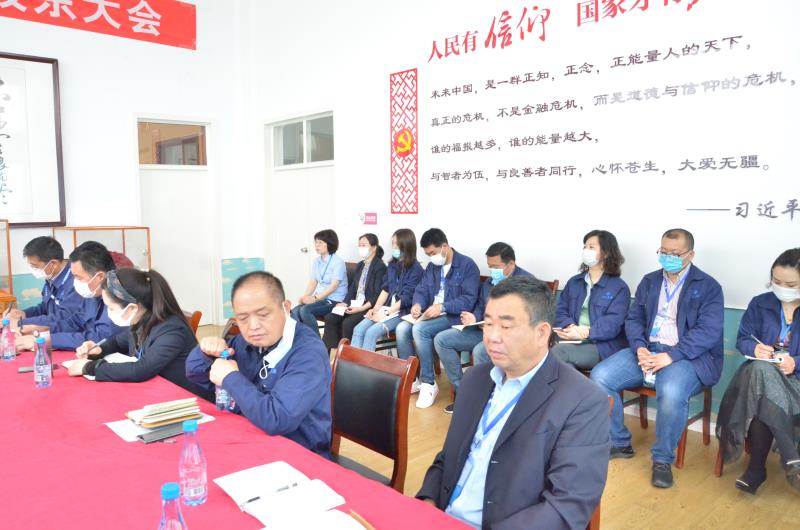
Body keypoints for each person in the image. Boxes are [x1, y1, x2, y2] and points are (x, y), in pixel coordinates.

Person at [416, 276, 609, 529]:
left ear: (541, 333)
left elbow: (565, 507)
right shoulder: (475, 379)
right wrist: (426, 506)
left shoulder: (582, 401)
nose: (492, 337)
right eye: (488, 324)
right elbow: (447, 458)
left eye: (506, 326)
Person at [591, 228, 724, 489]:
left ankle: (662, 459)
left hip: (687, 356)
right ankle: (619, 442)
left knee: (672, 390)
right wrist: (640, 347)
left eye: (675, 253)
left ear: (690, 254)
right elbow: (634, 319)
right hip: (648, 349)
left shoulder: (708, 286)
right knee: (600, 377)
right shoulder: (650, 281)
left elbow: (708, 332)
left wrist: (671, 356)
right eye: (663, 252)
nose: (668, 257)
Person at [186, 271, 332, 457]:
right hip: (248, 438)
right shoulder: (244, 341)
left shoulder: (308, 353)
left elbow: (277, 419)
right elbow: (195, 374)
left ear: (286, 308)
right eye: (243, 318)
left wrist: (230, 378)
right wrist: (205, 352)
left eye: (263, 314)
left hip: (297, 454)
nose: (253, 326)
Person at [716, 248, 800, 494]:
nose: (782, 288)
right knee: (760, 371)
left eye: (790, 284)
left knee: (760, 392)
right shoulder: (760, 303)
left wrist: (795, 362)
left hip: (795, 382)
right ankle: (791, 458)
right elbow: (743, 339)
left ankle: (757, 469)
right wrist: (754, 348)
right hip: (762, 377)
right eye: (776, 281)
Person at [64, 268, 213, 402]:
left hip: (191, 401)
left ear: (131, 308)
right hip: (159, 393)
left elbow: (140, 370)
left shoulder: (172, 330)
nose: (109, 313)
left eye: (111, 308)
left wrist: (91, 367)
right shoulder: (142, 319)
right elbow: (117, 342)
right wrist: (99, 349)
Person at [433, 242, 532, 413]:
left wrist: (498, 325)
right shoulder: (490, 282)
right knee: (442, 340)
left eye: (496, 267)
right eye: (489, 266)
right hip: (483, 330)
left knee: (480, 351)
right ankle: (464, 393)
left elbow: (527, 319)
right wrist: (474, 317)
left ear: (511, 264)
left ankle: (484, 401)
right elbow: (480, 306)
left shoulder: (527, 284)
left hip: (508, 337)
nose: (492, 270)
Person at [395, 228, 480, 409]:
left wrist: (442, 306)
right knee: (402, 329)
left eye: (433, 253)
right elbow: (422, 289)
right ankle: (412, 379)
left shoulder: (467, 265)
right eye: (427, 254)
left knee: (420, 329)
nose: (431, 257)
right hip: (430, 314)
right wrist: (417, 304)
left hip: (452, 316)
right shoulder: (432, 267)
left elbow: (469, 299)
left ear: (445, 246)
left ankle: (428, 383)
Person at [16, 241, 123, 352]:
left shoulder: (118, 298)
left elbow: (98, 338)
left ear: (99, 277)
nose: (74, 282)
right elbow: (74, 322)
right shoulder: (93, 293)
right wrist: (41, 330)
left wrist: (46, 340)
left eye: (78, 277)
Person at [552, 230, 630, 371]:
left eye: (591, 247)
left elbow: (613, 324)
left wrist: (587, 332)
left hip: (600, 346)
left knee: (558, 353)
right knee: (564, 364)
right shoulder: (574, 282)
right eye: (585, 247)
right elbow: (560, 310)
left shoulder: (619, 288)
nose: (586, 250)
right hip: (571, 339)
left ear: (606, 253)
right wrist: (570, 327)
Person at [350, 228, 423, 352]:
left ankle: (366, 365)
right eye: (393, 243)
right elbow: (385, 289)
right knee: (358, 329)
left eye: (396, 244)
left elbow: (407, 298)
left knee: (371, 333)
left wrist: (387, 313)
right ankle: (352, 363)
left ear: (406, 245)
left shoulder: (416, 270)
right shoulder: (392, 265)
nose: (393, 247)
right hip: (386, 309)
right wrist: (375, 309)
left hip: (401, 312)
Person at [322, 233, 387, 350]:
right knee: (331, 318)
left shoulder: (380, 267)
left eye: (364, 245)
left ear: (373, 247)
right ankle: (330, 355)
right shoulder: (361, 265)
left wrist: (361, 308)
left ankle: (346, 355)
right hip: (353, 304)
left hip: (367, 307)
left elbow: (377, 294)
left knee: (347, 323)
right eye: (359, 245)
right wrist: (344, 303)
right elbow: (352, 288)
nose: (361, 248)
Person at [5, 236, 82, 332]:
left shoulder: (76, 281)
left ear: (53, 264)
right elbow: (46, 307)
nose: (33, 270)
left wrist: (21, 323)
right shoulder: (51, 275)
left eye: (35, 266)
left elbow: (64, 317)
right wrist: (24, 314)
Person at [290, 229, 348, 332]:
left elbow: (334, 286)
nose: (317, 245)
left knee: (305, 310)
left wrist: (315, 298)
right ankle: (302, 338)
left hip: (334, 300)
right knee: (295, 311)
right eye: (315, 242)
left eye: (320, 242)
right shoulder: (317, 261)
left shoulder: (338, 262)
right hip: (320, 299)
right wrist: (305, 297)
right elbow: (313, 282)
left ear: (329, 243)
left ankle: (315, 341)